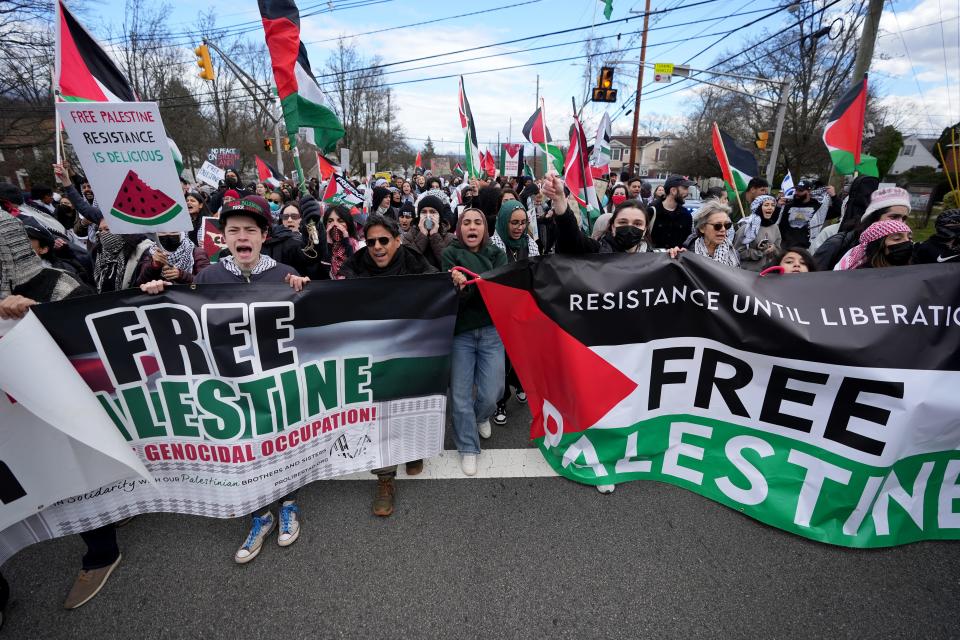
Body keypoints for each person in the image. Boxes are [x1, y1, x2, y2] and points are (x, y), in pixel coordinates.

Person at [139, 195, 309, 563]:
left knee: (285, 439)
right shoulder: (208, 277)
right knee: (244, 443)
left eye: (251, 230)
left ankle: (289, 504)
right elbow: (186, 317)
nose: (242, 236)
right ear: (224, 238)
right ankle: (259, 513)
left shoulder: (283, 274)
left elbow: (308, 322)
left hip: (276, 377)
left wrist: (303, 289)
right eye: (234, 230)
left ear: (264, 235)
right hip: (228, 380)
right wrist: (157, 292)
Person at [0, 211, 127, 611]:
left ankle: (101, 550)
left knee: (71, 462)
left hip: (60, 406)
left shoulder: (57, 287)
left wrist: (35, 318)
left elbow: (103, 331)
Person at [338, 214, 437, 515]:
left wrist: (454, 281)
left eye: (384, 240)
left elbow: (438, 285)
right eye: (371, 242)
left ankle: (413, 449)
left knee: (410, 405)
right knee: (378, 415)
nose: (377, 247)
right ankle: (384, 479)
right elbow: (334, 295)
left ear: (397, 240)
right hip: (372, 354)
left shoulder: (414, 261)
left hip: (409, 350)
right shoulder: (354, 266)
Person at [442, 208, 507, 475]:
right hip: (460, 334)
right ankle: (468, 446)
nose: (472, 227)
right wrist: (459, 287)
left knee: (493, 393)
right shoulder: (449, 253)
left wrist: (468, 276)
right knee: (459, 396)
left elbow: (497, 288)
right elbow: (455, 300)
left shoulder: (496, 253)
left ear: (485, 229)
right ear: (459, 228)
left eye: (478, 222)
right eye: (466, 222)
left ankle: (480, 416)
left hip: (492, 332)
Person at [489, 200, 539, 426]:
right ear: (503, 222)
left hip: (525, 311)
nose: (519, 227)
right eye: (514, 223)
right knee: (501, 361)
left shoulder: (530, 244)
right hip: (500, 313)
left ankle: (520, 383)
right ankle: (500, 401)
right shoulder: (492, 245)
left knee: (522, 356)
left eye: (522, 223)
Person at [814, 186, 909, 270]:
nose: (900, 224)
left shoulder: (903, 249)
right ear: (874, 217)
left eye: (904, 218)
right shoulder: (839, 244)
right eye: (893, 217)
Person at [778, 179, 839, 250]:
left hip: (806, 250)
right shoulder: (787, 205)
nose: (797, 193)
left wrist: (834, 196)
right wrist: (778, 207)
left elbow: (838, 211)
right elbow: (777, 222)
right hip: (785, 248)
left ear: (809, 191)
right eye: (796, 190)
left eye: (800, 191)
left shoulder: (818, 207)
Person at [401, 190, 454, 269]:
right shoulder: (408, 236)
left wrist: (434, 235)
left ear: (440, 216)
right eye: (424, 212)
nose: (428, 216)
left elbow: (449, 266)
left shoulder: (450, 238)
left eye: (433, 212)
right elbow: (408, 264)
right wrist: (422, 234)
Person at [134, 232, 210, 285]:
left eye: (173, 232)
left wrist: (181, 275)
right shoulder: (151, 252)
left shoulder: (196, 252)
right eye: (163, 232)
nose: (168, 235)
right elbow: (140, 283)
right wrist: (154, 266)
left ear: (182, 234)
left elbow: (206, 281)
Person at [834, 219, 913, 270]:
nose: (907, 242)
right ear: (877, 245)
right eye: (897, 238)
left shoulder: (912, 270)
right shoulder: (861, 276)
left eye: (909, 238)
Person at [733, 194, 781, 271]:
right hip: (748, 273)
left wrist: (774, 249)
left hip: (768, 272)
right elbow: (737, 252)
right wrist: (760, 252)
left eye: (772, 205)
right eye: (766, 205)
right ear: (758, 207)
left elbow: (778, 249)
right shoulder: (747, 227)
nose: (770, 208)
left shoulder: (775, 227)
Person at [648, 175, 694, 249]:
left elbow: (688, 242)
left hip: (676, 259)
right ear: (673, 191)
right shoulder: (652, 210)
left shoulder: (686, 215)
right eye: (685, 188)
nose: (687, 192)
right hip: (653, 259)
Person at [690, 201, 739, 267]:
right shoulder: (689, 254)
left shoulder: (734, 254)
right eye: (717, 226)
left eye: (727, 225)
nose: (723, 229)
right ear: (702, 228)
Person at [320, 205, 362, 279]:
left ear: (348, 223)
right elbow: (323, 273)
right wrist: (328, 244)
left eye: (340, 221)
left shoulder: (358, 246)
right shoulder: (320, 246)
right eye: (330, 221)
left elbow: (355, 270)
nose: (335, 225)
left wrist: (346, 242)